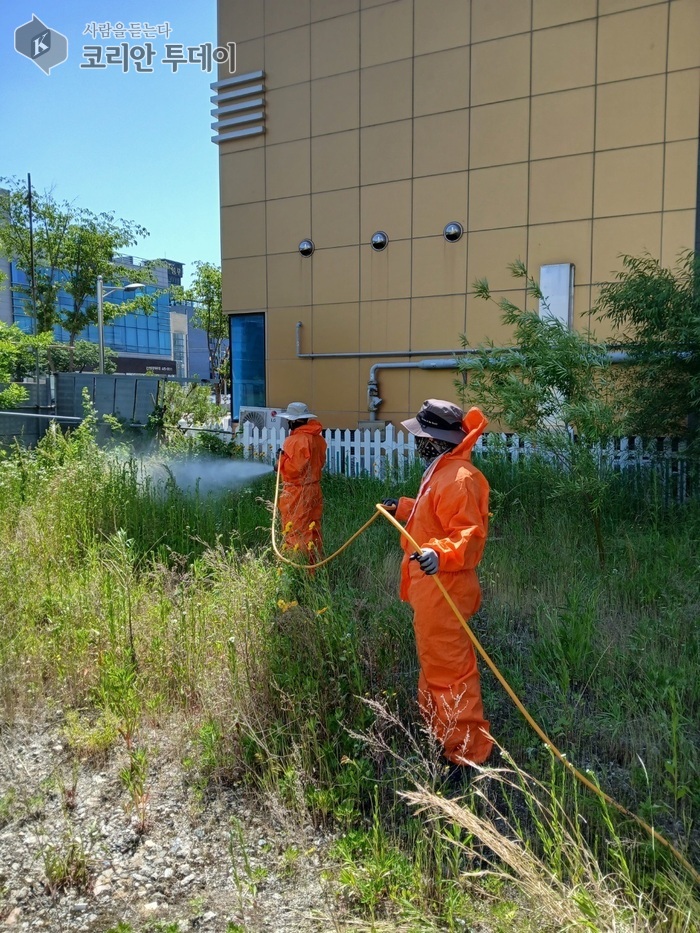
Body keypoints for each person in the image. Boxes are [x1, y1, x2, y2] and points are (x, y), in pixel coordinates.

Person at [383, 399, 493, 773]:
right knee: (434, 665)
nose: (416, 443)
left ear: (433, 441)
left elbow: (468, 536)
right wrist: (402, 508)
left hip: (445, 590)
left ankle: (467, 757)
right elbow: (433, 514)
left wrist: (438, 553)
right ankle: (441, 737)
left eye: (420, 437)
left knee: (451, 674)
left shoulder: (461, 478)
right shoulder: (443, 471)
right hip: (431, 590)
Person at [276, 402, 327, 561]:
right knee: (313, 528)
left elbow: (294, 469)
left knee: (296, 530)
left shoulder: (294, 441)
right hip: (314, 489)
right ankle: (315, 564)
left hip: (297, 491)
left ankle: (298, 566)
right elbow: (320, 462)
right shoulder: (318, 439)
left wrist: (280, 461)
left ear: (293, 421)